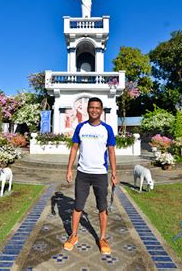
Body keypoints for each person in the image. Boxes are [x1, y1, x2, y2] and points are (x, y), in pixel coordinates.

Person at [63, 97, 118, 255]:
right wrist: (69, 169)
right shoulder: (81, 127)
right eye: (91, 107)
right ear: (87, 109)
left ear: (101, 110)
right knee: (78, 206)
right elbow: (74, 149)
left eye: (97, 108)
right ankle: (73, 235)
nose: (94, 110)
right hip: (83, 173)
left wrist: (114, 173)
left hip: (100, 174)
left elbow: (112, 151)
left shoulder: (106, 129)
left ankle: (102, 238)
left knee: (102, 207)